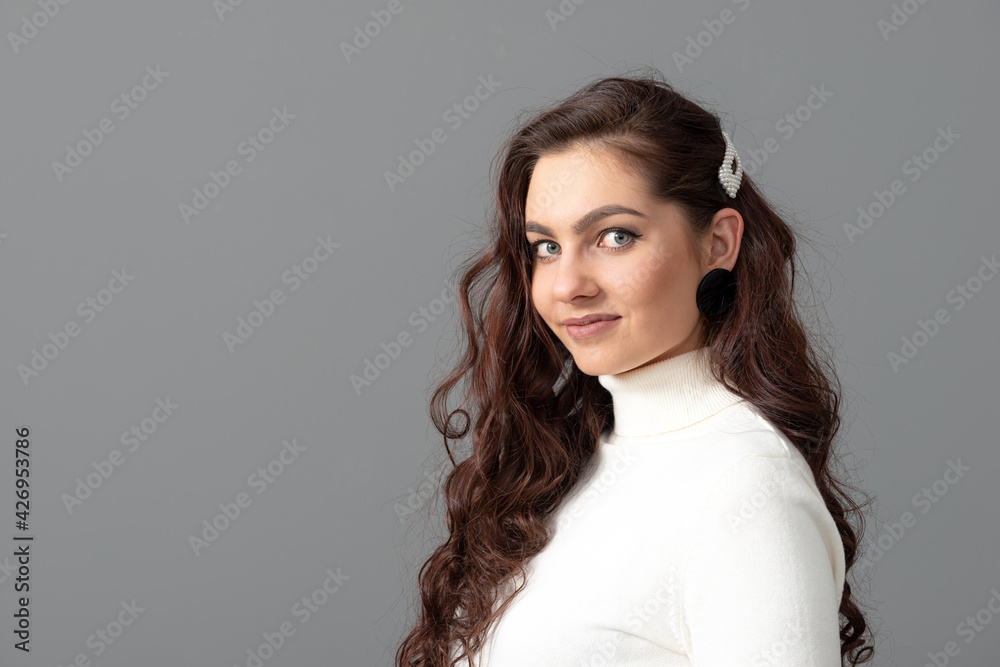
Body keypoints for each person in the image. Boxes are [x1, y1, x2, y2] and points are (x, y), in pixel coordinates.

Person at [395, 67, 876, 667]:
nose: (567, 284)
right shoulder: (565, 465)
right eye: (545, 247)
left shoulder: (747, 491)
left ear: (719, 244)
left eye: (615, 236)